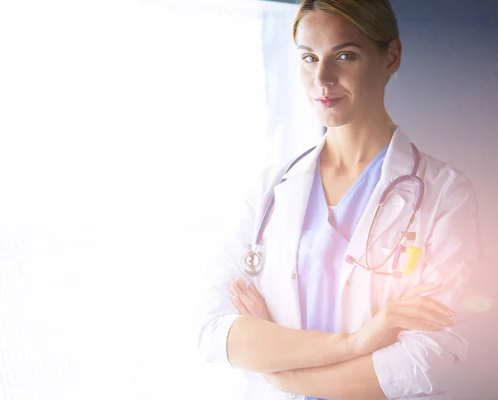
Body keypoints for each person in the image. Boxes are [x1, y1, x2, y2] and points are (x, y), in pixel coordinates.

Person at [197, 1, 481, 399]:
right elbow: (215, 329)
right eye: (309, 58)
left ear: (391, 56)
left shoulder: (444, 194)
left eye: (344, 55)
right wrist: (359, 342)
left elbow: (429, 358)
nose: (322, 78)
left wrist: (284, 371)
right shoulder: (270, 189)